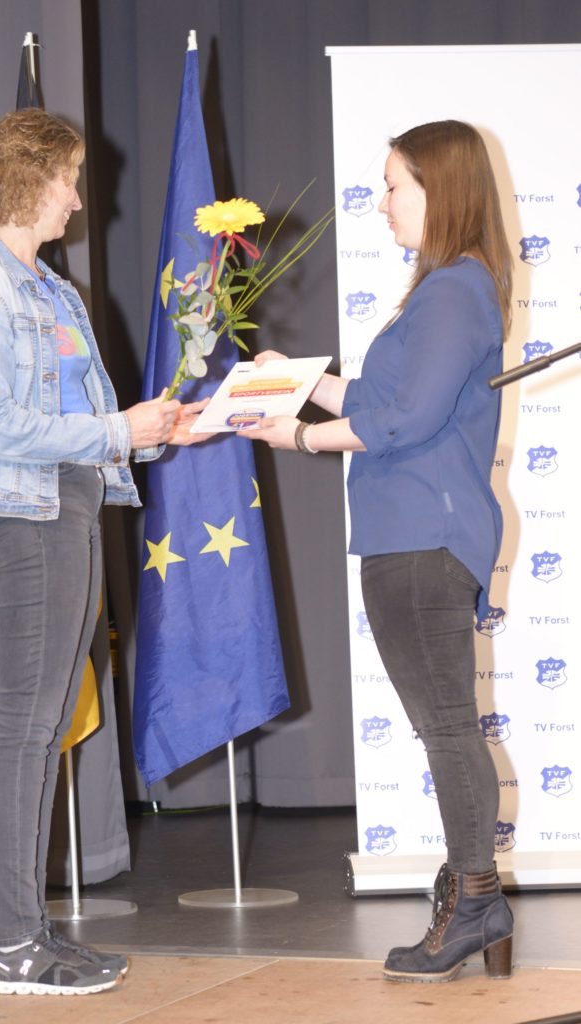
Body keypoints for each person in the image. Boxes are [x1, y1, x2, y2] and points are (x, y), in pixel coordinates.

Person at [0, 107, 208, 997]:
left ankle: (30, 933)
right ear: (25, 179)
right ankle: (11, 946)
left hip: (68, 507)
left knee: (40, 732)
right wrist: (117, 426)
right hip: (20, 519)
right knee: (23, 731)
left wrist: (154, 430)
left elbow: (81, 423)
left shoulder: (48, 289)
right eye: (68, 179)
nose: (79, 199)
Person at [239, 120, 514, 984]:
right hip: (408, 536)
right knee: (445, 725)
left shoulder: (454, 291)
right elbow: (381, 395)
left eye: (394, 184)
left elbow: (406, 421)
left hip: (425, 538)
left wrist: (304, 438)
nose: (382, 200)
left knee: (446, 728)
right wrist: (302, 382)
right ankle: (473, 892)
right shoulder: (444, 291)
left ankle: (476, 898)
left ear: (440, 189)